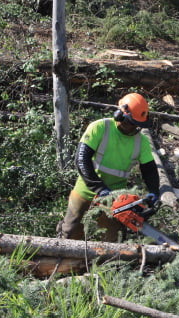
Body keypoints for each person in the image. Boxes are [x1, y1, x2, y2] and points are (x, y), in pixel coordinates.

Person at [58, 93, 160, 241]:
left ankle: (105, 263)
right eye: (130, 122)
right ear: (119, 114)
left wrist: (153, 191)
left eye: (137, 124)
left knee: (112, 241)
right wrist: (99, 188)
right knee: (70, 234)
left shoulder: (141, 141)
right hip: (85, 191)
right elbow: (81, 160)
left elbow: (149, 169)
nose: (133, 127)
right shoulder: (100, 128)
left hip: (116, 198)